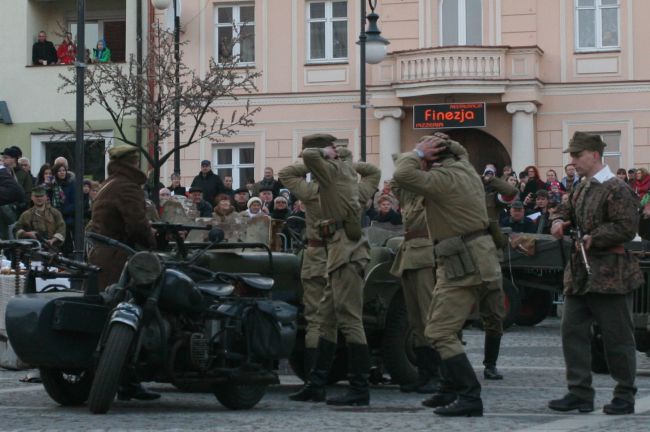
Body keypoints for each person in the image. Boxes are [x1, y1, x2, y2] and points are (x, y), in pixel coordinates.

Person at [394, 133, 502, 417]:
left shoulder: (443, 179)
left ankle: (469, 395)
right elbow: (461, 151)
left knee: (439, 331)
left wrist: (418, 152)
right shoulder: (464, 166)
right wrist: (439, 147)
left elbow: (402, 174)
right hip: (468, 257)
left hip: (462, 261)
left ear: (434, 160)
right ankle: (450, 387)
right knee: (444, 325)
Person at [548, 131, 642, 415]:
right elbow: (563, 209)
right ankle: (579, 392)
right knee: (572, 332)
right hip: (580, 274)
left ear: (594, 155)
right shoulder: (581, 187)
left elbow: (626, 226)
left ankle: (624, 394)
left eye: (577, 155)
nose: (573, 161)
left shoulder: (617, 188)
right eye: (572, 156)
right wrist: (559, 221)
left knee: (617, 338)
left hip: (610, 274)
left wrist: (595, 236)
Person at [290, 134, 372, 406]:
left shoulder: (334, 171)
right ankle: (316, 384)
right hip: (337, 250)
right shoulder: (344, 169)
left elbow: (309, 158)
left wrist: (323, 153)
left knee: (349, 319)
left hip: (346, 252)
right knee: (325, 319)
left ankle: (360, 388)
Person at [390, 168, 439, 394]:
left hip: (425, 255)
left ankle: (437, 374)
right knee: (415, 318)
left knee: (428, 315)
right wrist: (414, 160)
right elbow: (397, 181)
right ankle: (424, 374)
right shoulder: (410, 197)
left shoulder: (433, 193)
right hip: (409, 255)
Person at [279, 159, 328, 378]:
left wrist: (313, 160)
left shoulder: (313, 192)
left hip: (317, 257)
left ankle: (315, 377)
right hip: (339, 256)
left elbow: (286, 173)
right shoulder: (347, 189)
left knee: (316, 318)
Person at [480, 164, 519, 380]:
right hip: (463, 259)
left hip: (489, 258)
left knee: (494, 313)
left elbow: (512, 193)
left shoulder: (492, 198)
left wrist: (490, 180)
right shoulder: (457, 197)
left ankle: (490, 364)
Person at [49, 163, 75, 255]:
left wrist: (63, 212)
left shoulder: (71, 184)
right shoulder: (52, 185)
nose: (62, 173)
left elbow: (74, 202)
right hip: (54, 218)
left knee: (68, 243)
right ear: (56, 173)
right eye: (59, 171)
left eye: (63, 170)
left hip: (68, 217)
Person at [2, 147, 33, 212]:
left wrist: (20, 206)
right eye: (3, 157)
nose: (3, 160)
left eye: (6, 157)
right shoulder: (3, 172)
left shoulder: (24, 174)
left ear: (13, 159)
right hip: (3, 209)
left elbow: (28, 193)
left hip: (19, 210)